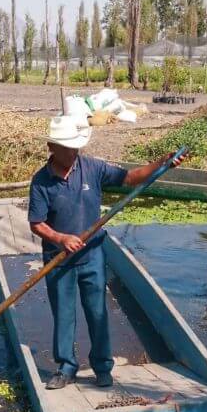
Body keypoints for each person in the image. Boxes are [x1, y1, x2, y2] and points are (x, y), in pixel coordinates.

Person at [28, 114, 184, 390]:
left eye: (76, 146)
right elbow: (37, 223)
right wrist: (60, 238)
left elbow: (129, 177)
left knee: (97, 311)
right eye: (67, 147)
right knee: (64, 314)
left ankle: (102, 366)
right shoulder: (41, 182)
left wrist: (162, 162)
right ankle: (66, 368)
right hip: (59, 260)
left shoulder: (92, 168)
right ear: (52, 147)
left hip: (92, 255)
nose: (74, 151)